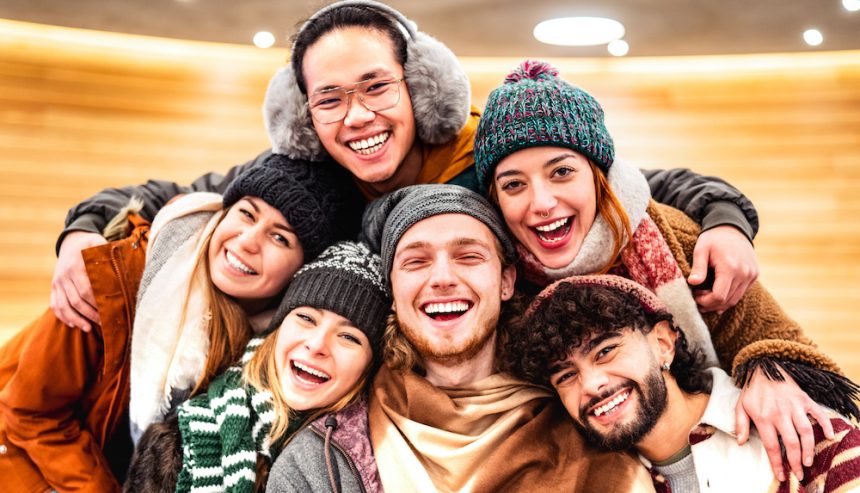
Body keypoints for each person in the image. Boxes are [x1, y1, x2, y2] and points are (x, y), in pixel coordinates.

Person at [52, 0, 760, 335]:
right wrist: (83, 230)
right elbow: (176, 193)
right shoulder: (309, 169)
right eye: (329, 99)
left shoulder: (489, 151)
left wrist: (726, 222)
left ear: (419, 87)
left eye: (376, 89)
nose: (356, 118)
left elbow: (643, 184)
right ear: (303, 115)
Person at [472, 59, 860, 481]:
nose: (542, 202)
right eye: (514, 184)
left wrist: (768, 372)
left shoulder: (672, 238)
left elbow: (778, 338)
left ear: (600, 176)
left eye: (562, 172)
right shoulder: (499, 280)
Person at [269, 185, 656, 493]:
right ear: (393, 288)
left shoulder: (592, 418)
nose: (441, 278)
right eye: (416, 261)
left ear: (506, 281)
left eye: (468, 256)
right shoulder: (321, 463)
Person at [0, 154, 344, 493]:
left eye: (280, 237)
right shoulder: (122, 275)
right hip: (29, 462)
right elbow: (30, 413)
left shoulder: (276, 347)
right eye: (245, 214)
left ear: (300, 271)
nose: (247, 241)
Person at [506, 274, 860, 492]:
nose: (592, 384)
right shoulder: (589, 483)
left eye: (605, 351)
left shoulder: (802, 433)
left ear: (663, 344)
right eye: (566, 376)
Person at [124, 241, 389, 493]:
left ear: (368, 367)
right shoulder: (178, 442)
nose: (317, 344)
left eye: (349, 337)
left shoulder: (372, 462)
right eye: (306, 318)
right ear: (277, 330)